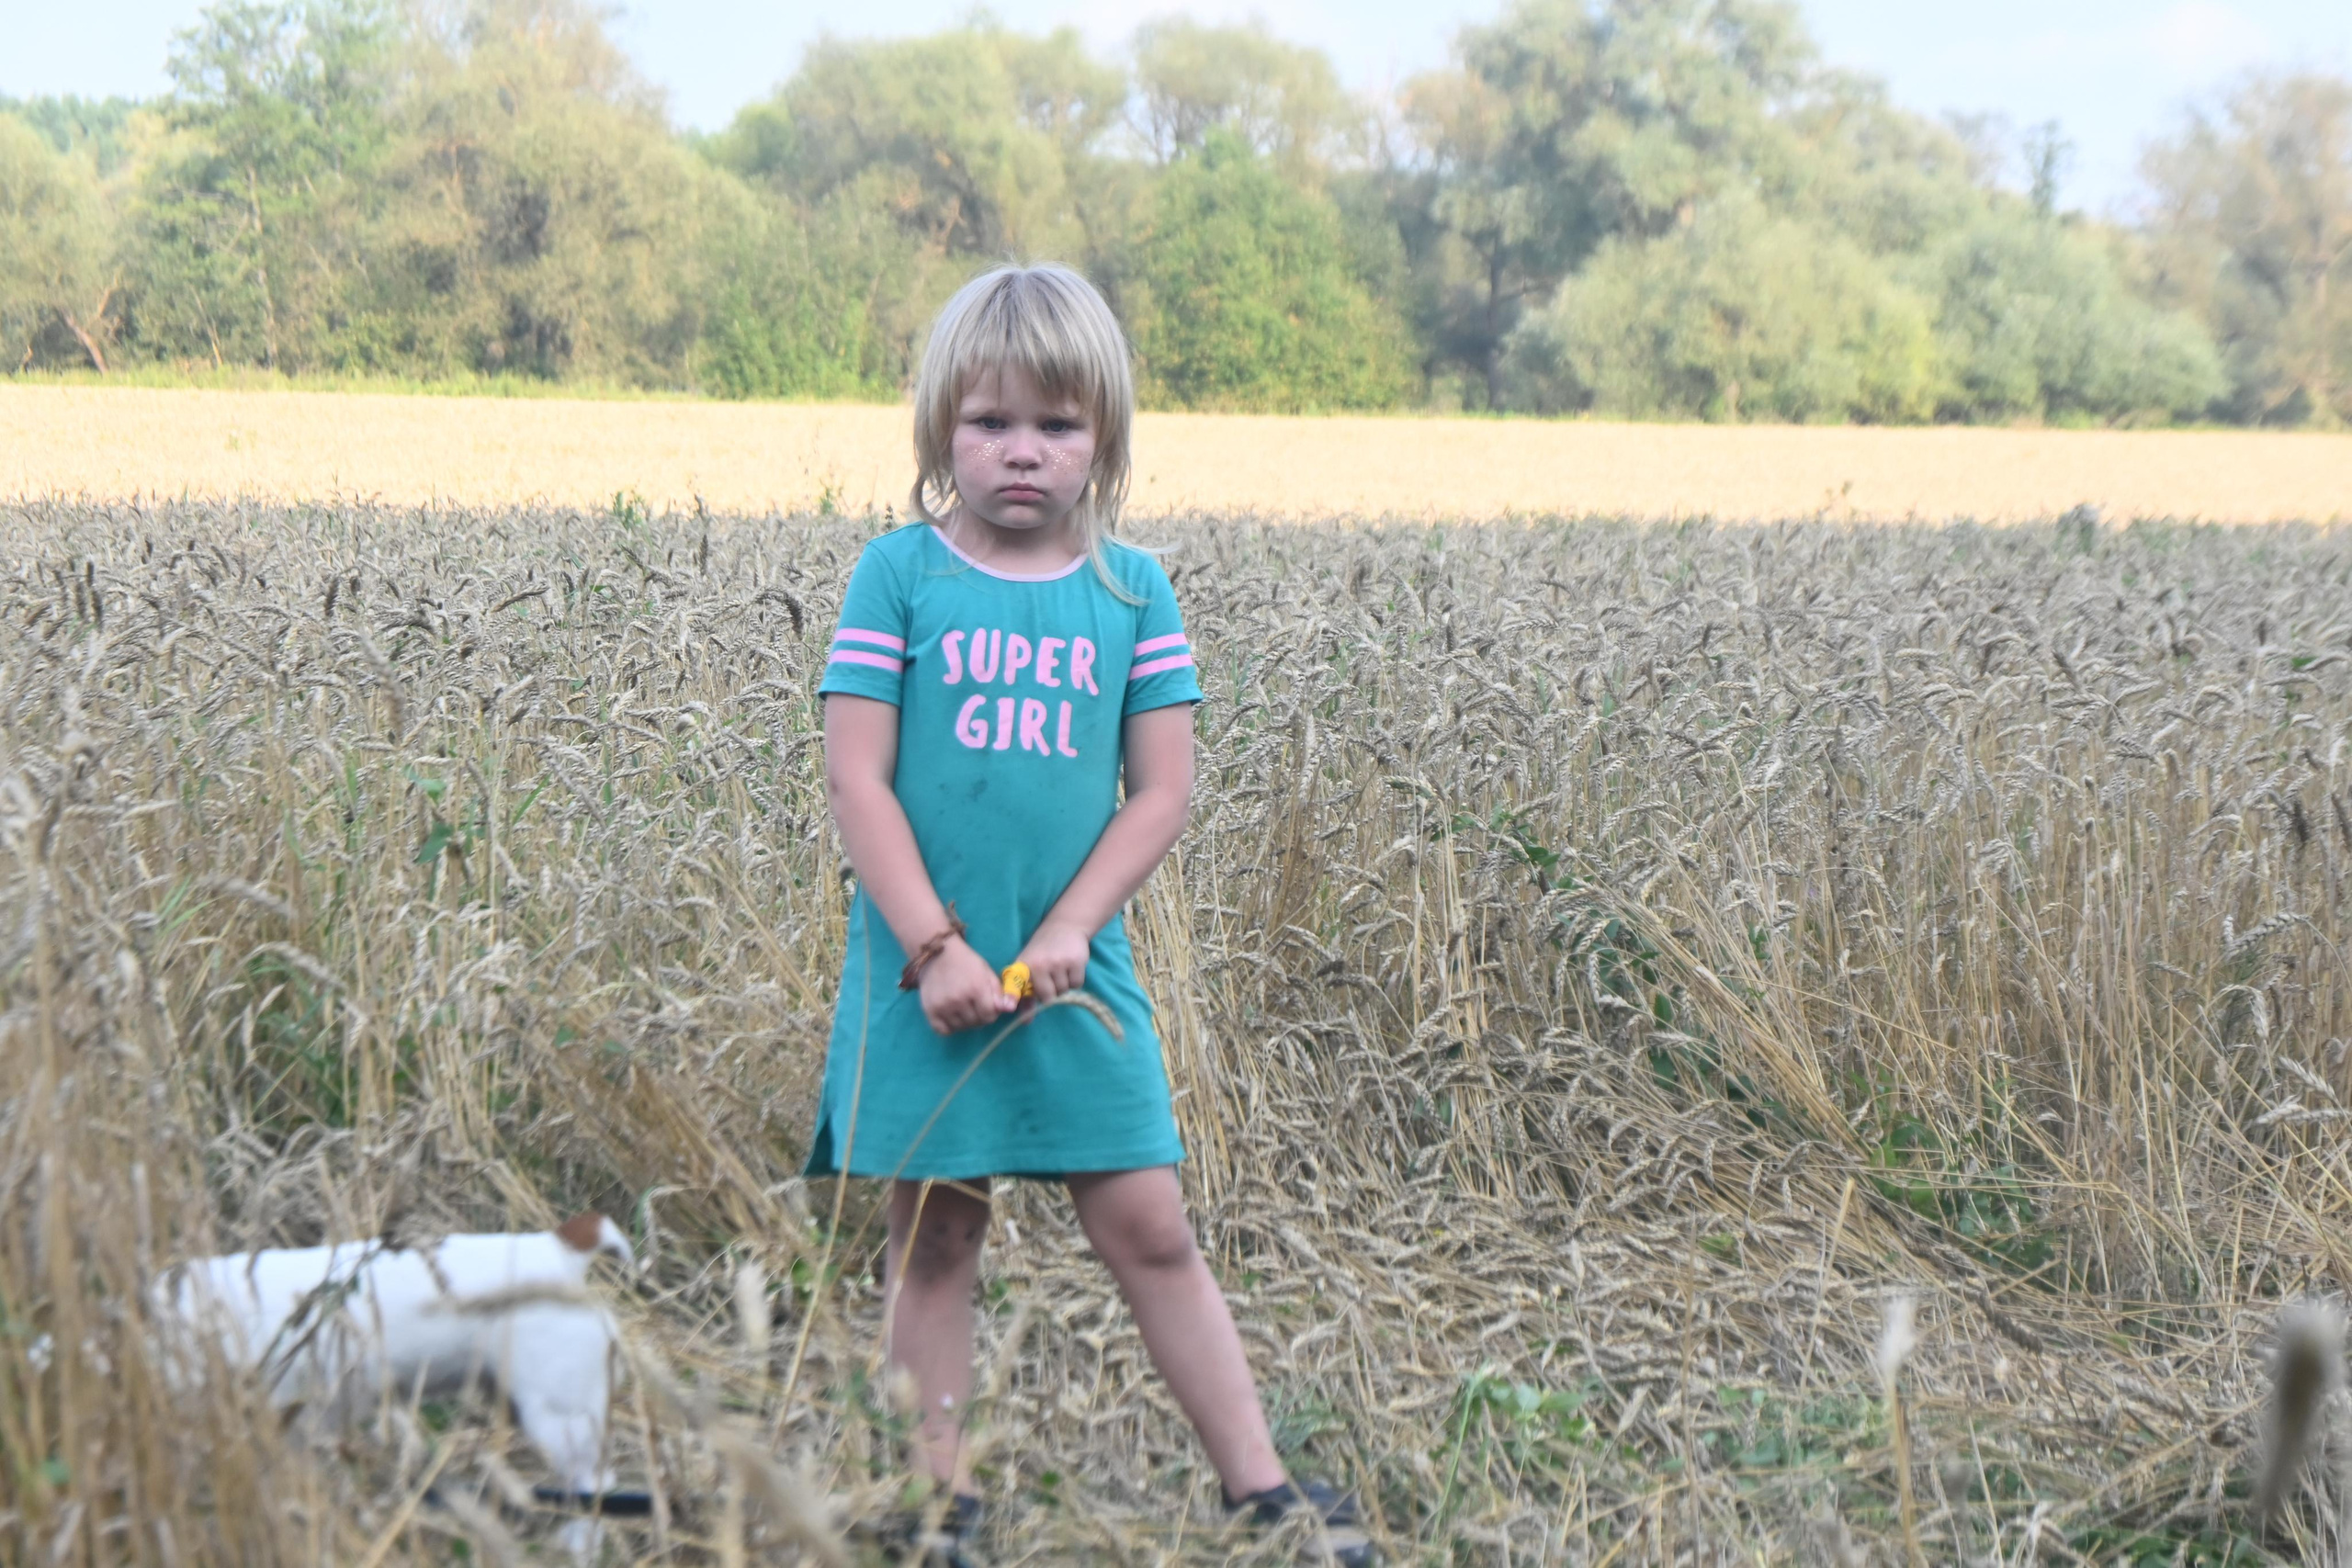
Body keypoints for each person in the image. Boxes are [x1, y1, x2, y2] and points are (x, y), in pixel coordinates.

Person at [810, 262, 1372, 1568]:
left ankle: (1260, 1488)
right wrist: (934, 944)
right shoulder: (898, 576)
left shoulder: (1131, 594)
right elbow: (856, 779)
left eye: (1058, 425)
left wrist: (1068, 930)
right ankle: (938, 1508)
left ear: (1105, 437)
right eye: (991, 421)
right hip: (928, 980)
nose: (1023, 451)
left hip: (1078, 977)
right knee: (938, 1240)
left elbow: (1161, 792)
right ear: (941, 426)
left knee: (1150, 1229)